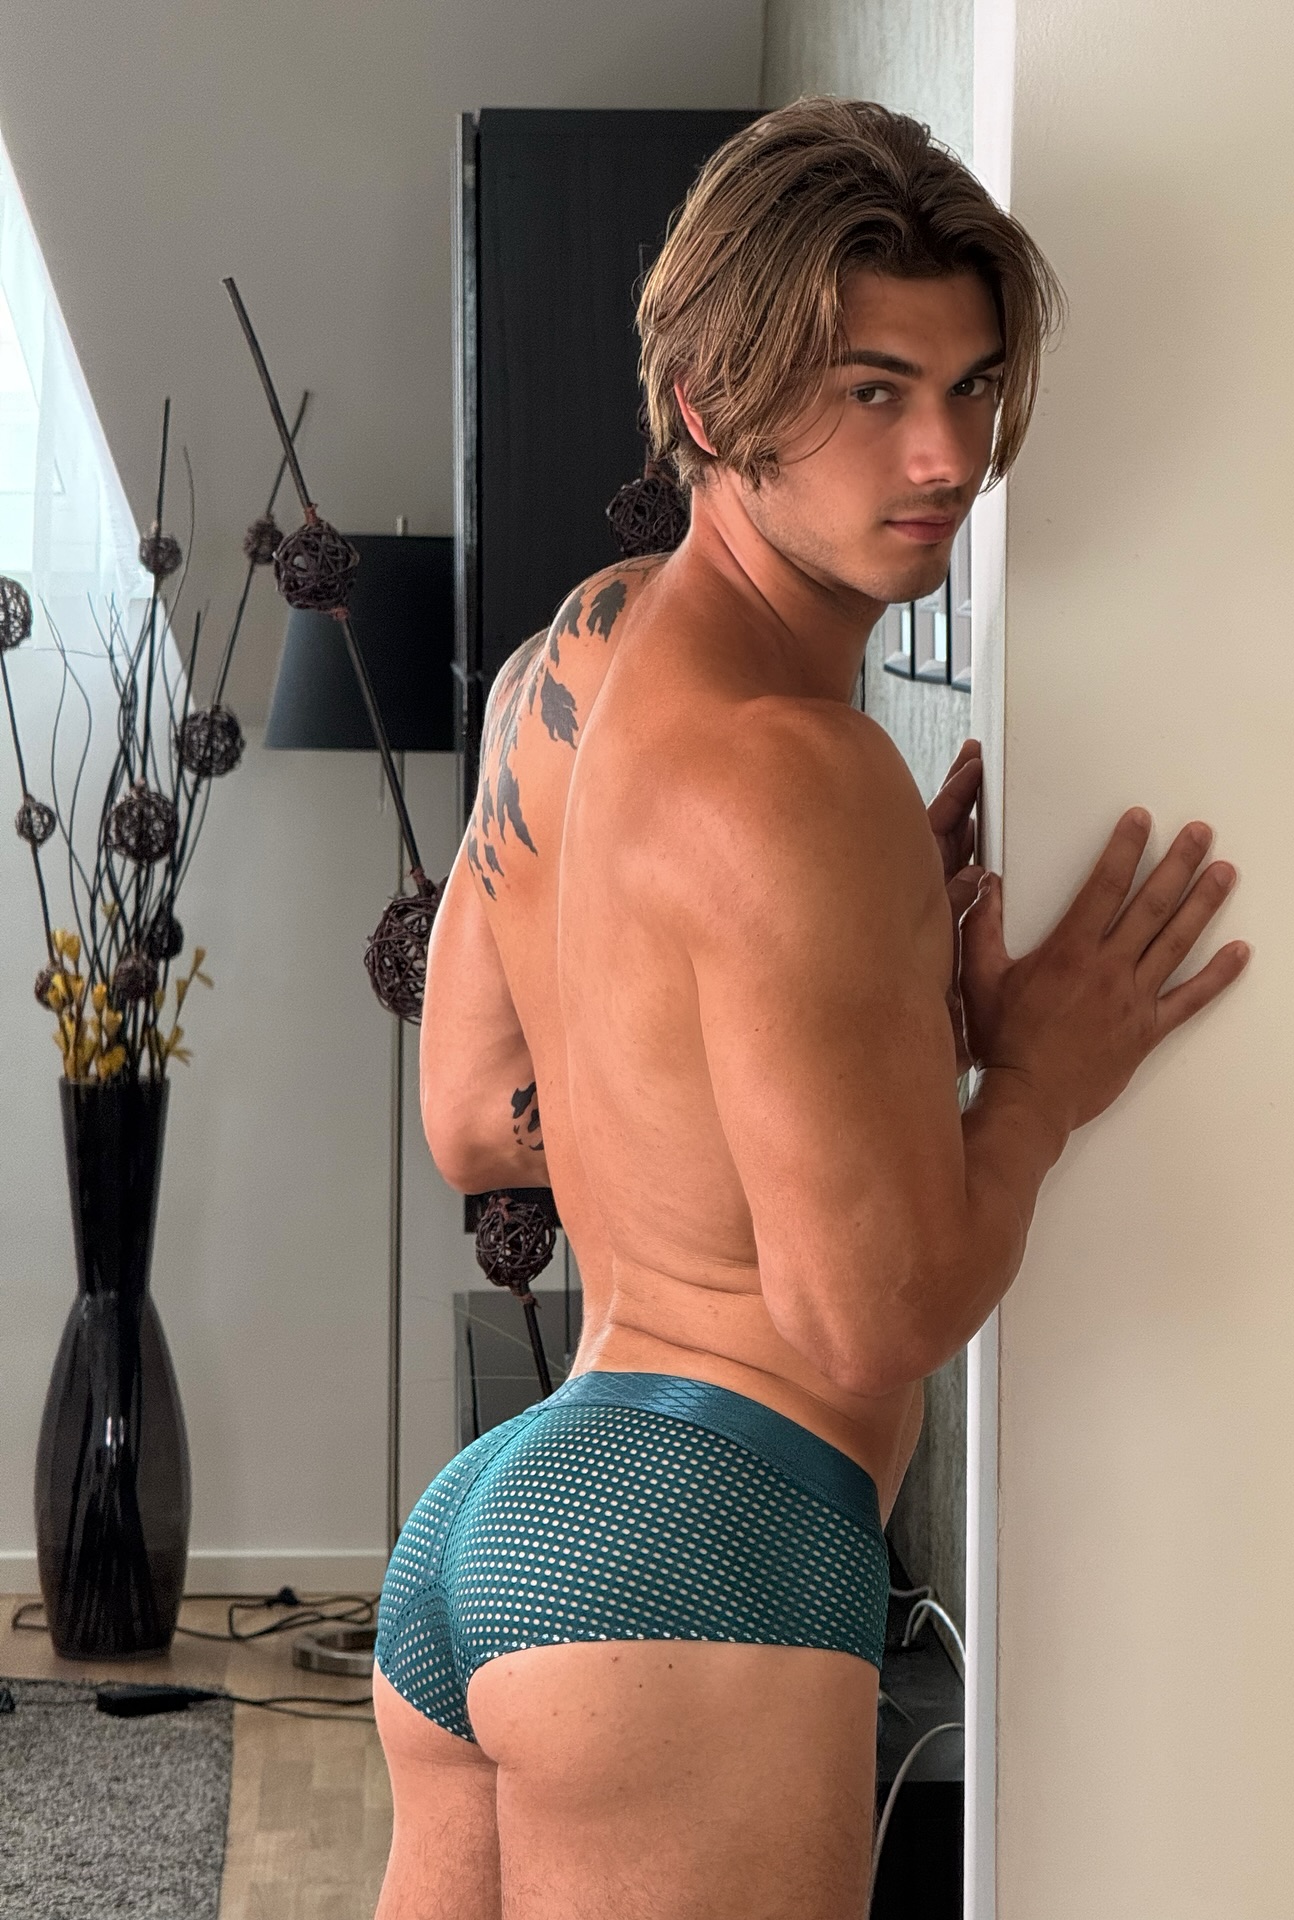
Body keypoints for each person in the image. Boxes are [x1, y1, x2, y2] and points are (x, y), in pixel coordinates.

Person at [372, 97, 1249, 1920]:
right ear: (709, 404)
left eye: (973, 386)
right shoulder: (805, 770)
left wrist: (845, 1005)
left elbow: (476, 1114)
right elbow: (872, 1318)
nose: (947, 455)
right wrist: (1035, 1082)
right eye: (872, 392)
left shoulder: (572, 664)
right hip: (700, 1543)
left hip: (503, 1523)